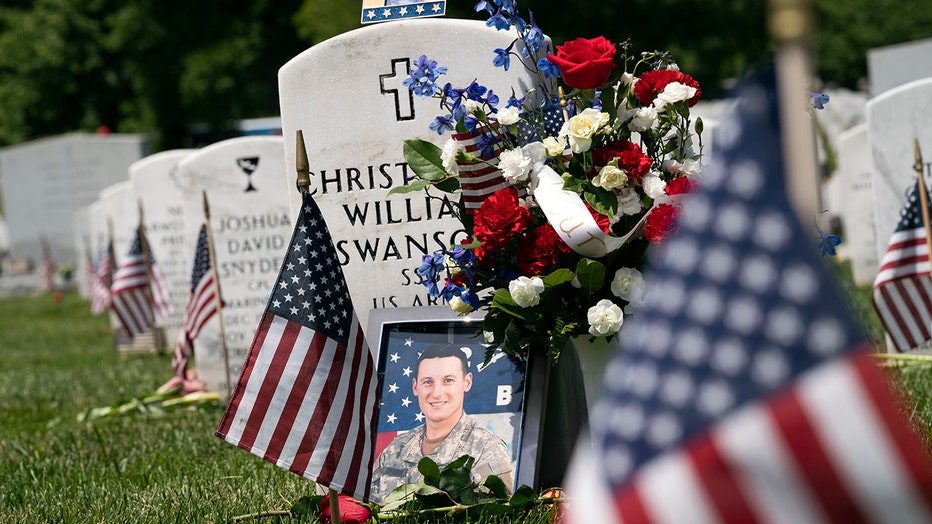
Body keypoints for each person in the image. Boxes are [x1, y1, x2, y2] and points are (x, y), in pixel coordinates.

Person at [370, 344, 514, 502]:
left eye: (448, 380)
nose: (437, 392)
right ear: (415, 386)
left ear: (467, 382)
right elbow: (368, 509)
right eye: (427, 382)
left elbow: (494, 516)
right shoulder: (396, 449)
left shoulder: (487, 450)